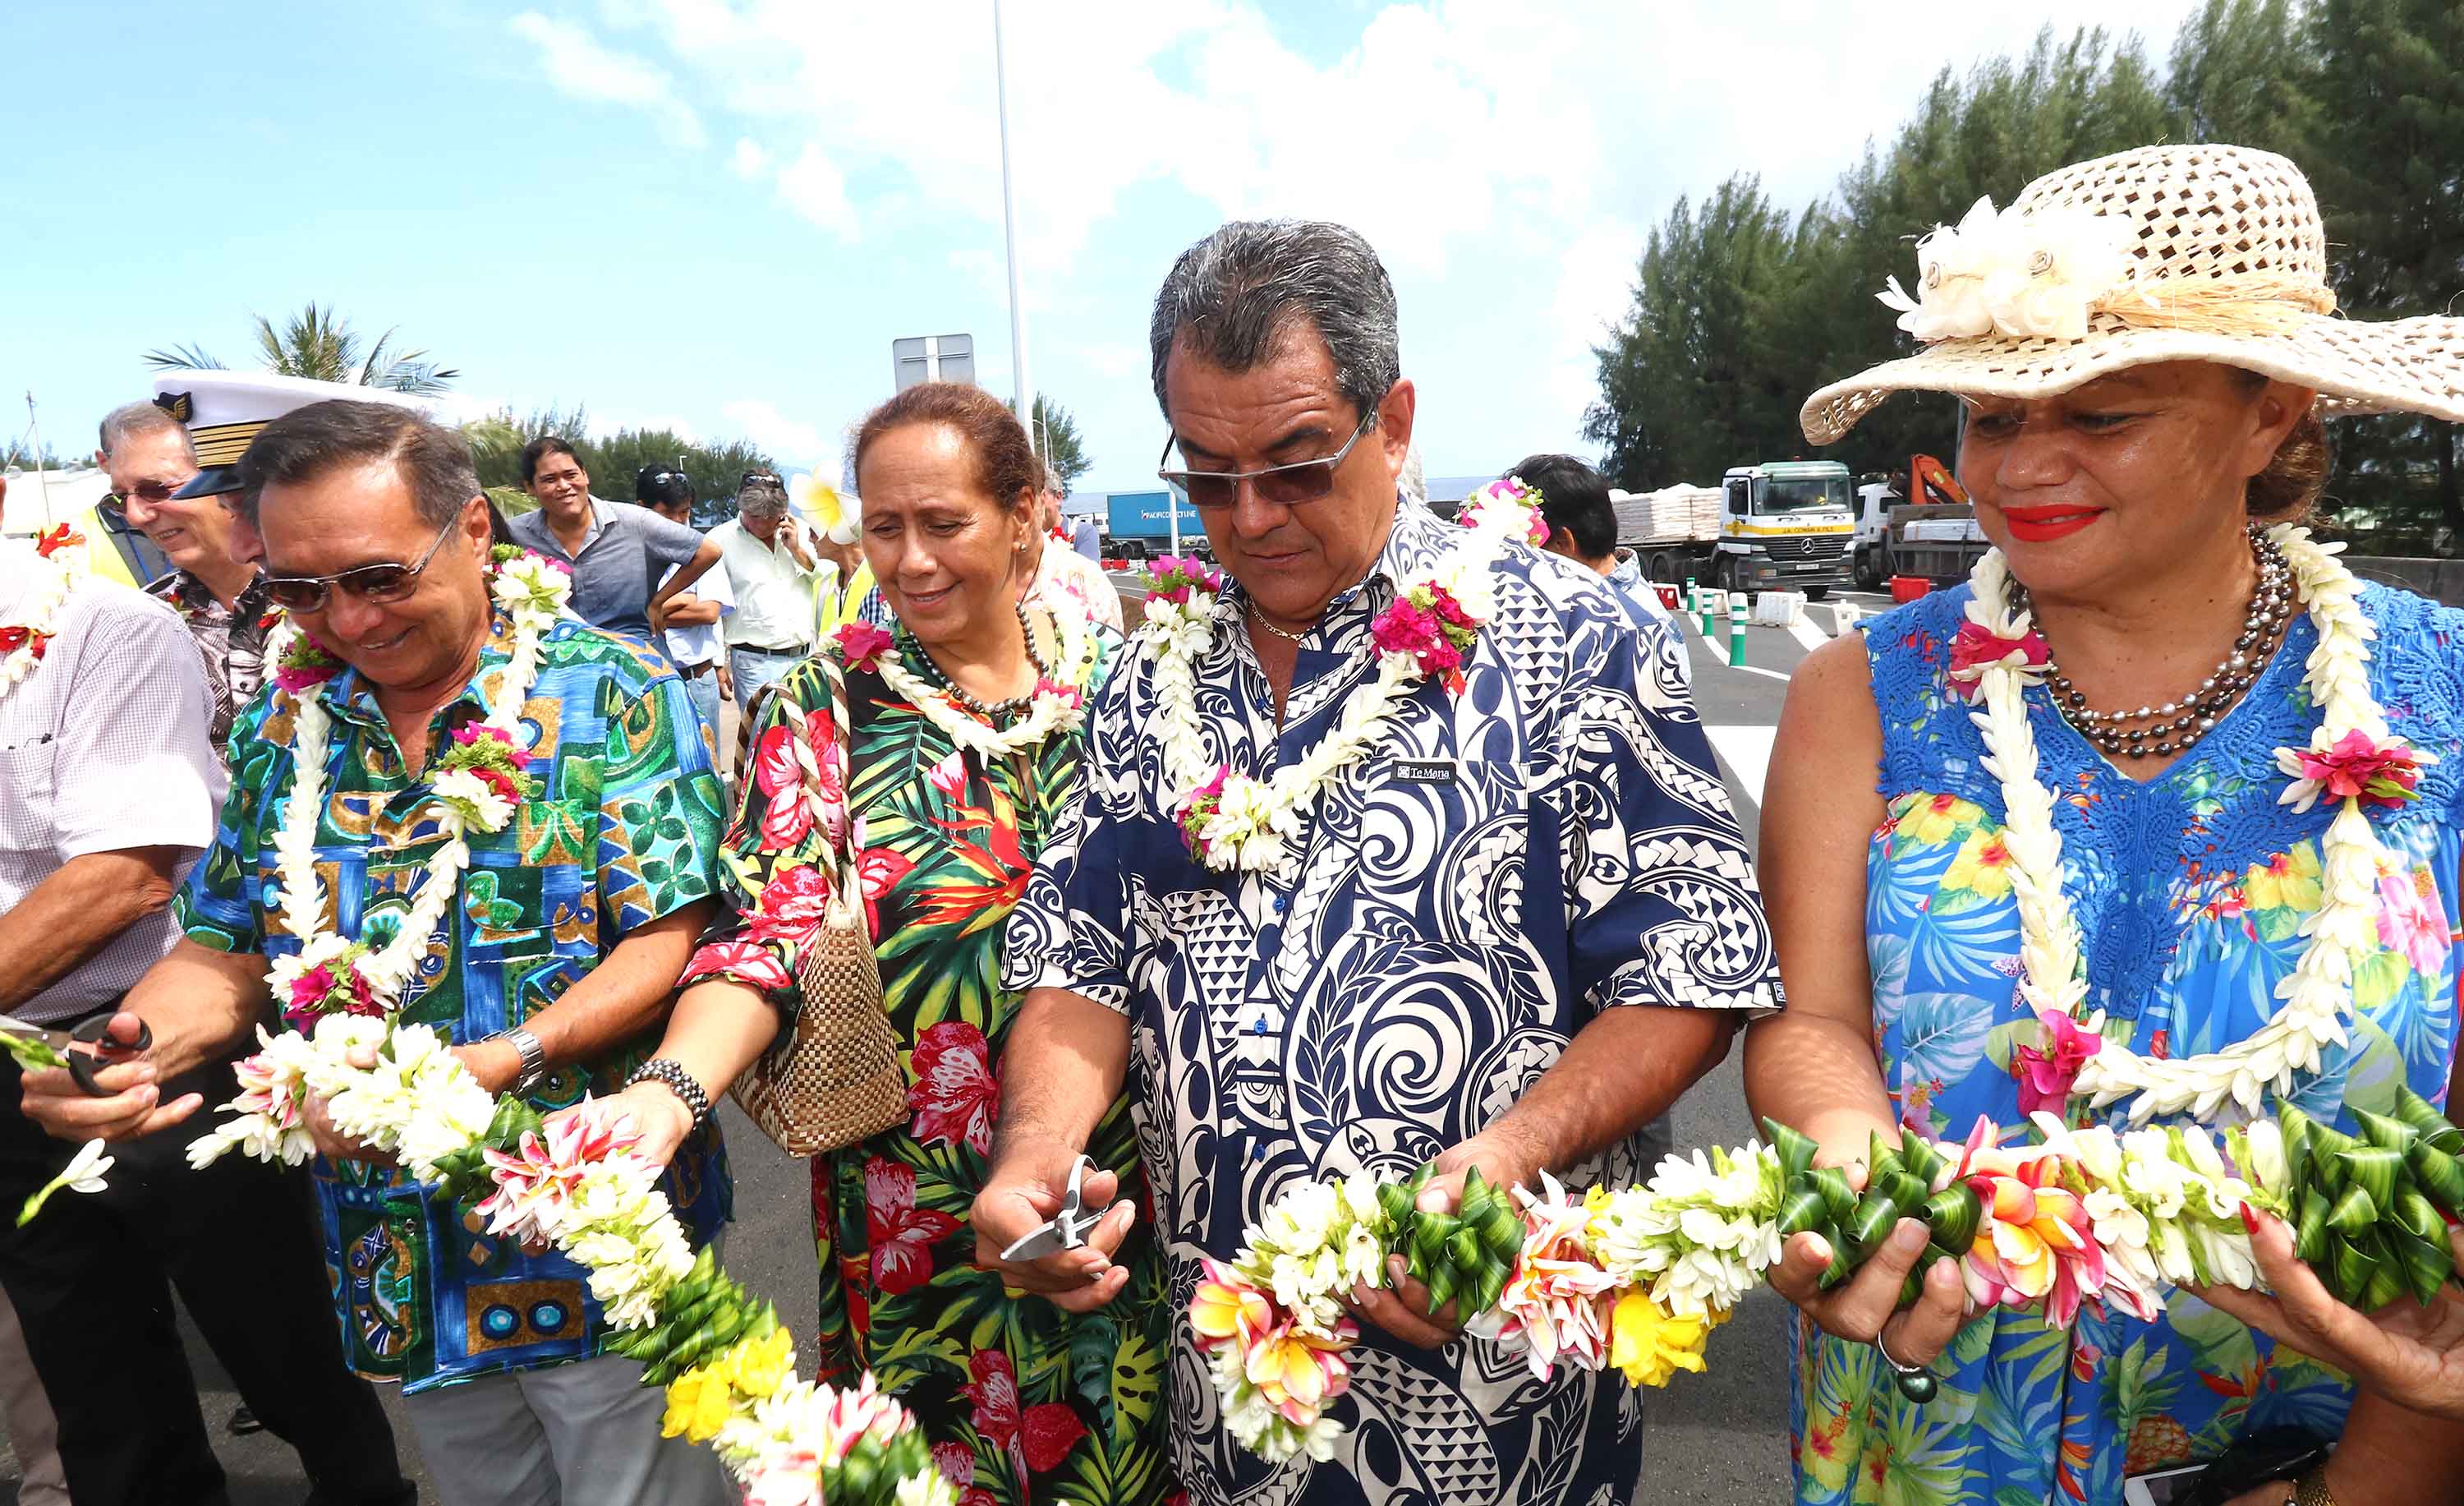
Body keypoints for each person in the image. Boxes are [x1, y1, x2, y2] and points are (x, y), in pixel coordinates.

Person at [977, 219, 1781, 1506]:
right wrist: (1034, 1156)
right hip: (1230, 1392)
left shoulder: (1568, 637)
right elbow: (1081, 956)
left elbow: (1692, 967)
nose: (1249, 518)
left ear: (1393, 422)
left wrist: (1506, 1155)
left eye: (1296, 465)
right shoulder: (1149, 672)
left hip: (1493, 1386)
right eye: (1207, 474)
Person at [1749, 144, 2464, 1506]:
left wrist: (2357, 1489)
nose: (2026, 466)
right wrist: (1844, 1137)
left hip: (2313, 1458)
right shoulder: (1862, 693)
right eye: (1994, 415)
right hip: (1928, 1439)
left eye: (2102, 412)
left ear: (2273, 414)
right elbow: (1812, 1017)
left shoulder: (2445, 703)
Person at [21, 399, 738, 1506]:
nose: (344, 620)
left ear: (476, 534)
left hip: (592, 1222)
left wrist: (497, 1062)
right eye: (300, 590)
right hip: (394, 1243)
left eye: (377, 577)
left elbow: (667, 939)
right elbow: (224, 944)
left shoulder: (611, 688)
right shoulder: (285, 726)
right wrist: (129, 1053)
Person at [581, 380, 1158, 1503]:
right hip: (915, 1202)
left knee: (1122, 1447)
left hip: (1119, 1170)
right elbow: (769, 929)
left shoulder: (1122, 690)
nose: (910, 559)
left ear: (1027, 518)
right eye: (883, 527)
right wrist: (668, 1093)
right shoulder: (827, 706)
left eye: (944, 523)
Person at [0, 477, 413, 1505]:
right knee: (94, 1378)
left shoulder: (106, 628)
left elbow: (131, 869)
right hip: (13, 1061)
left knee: (274, 1342)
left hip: (149, 1035)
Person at [507, 435, 720, 642]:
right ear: (530, 488)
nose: (563, 486)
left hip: (636, 661)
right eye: (549, 480)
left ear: (585, 475)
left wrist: (658, 602)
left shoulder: (635, 522)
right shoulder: (515, 534)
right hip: (559, 663)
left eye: (571, 475)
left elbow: (708, 552)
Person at [1517, 451, 1686, 670]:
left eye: (1526, 547)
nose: (1518, 562)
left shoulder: (1632, 628)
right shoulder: (1594, 607)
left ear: (1562, 542)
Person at [705, 470, 824, 711]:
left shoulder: (804, 532)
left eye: (770, 516)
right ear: (741, 506)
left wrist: (797, 551)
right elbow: (712, 607)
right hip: (754, 663)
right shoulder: (718, 541)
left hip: (807, 658)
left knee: (809, 741)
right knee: (762, 741)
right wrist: (718, 664)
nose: (762, 523)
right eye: (755, 515)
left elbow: (829, 583)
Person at [637, 464, 735, 739]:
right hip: (649, 684)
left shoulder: (704, 551)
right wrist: (680, 599)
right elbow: (629, 616)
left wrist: (656, 607)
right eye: (668, 513)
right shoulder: (627, 556)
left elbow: (709, 612)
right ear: (641, 509)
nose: (679, 522)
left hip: (697, 680)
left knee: (707, 765)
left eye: (685, 512)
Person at [1033, 463, 1124, 632]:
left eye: (1042, 496)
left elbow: (1087, 583)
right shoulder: (1027, 541)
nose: (1036, 504)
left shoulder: (1082, 532)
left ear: (1058, 497)